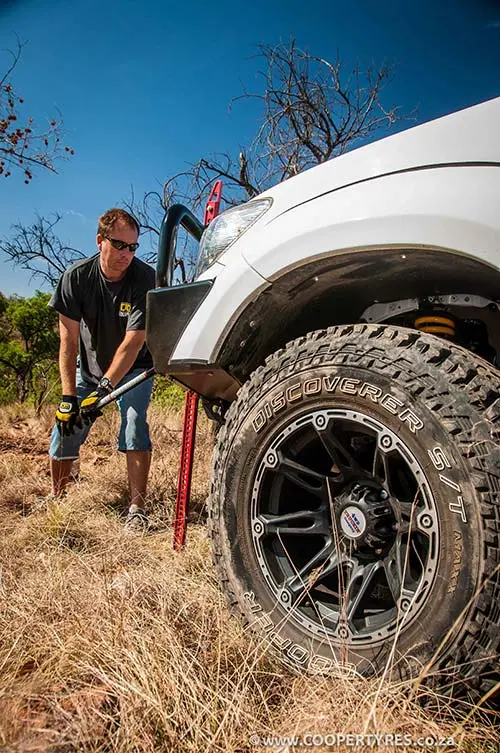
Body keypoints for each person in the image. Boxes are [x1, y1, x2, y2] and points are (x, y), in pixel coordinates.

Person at [48, 207, 156, 529]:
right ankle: (59, 501)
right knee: (65, 425)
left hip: (134, 368)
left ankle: (137, 509)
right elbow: (68, 341)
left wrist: (106, 388)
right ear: (100, 241)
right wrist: (69, 397)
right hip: (90, 369)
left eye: (133, 247)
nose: (126, 254)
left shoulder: (145, 278)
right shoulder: (76, 277)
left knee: (134, 422)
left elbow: (133, 342)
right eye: (119, 245)